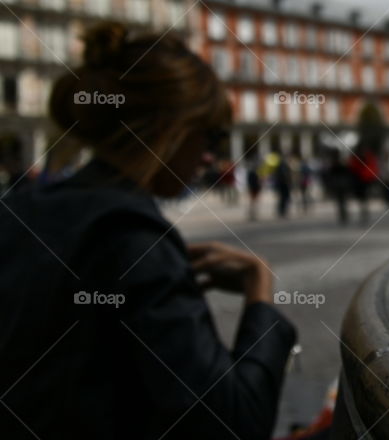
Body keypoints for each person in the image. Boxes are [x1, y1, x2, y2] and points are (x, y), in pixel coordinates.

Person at [0, 22, 296, 439]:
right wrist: (260, 293)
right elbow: (233, 422)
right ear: (172, 128)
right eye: (212, 135)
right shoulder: (132, 236)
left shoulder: (18, 208)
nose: (211, 155)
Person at [274, 154, 293, 218]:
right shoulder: (284, 166)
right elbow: (285, 176)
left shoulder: (281, 166)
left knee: (283, 199)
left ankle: (282, 211)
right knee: (284, 198)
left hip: (282, 185)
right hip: (284, 185)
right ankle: (282, 211)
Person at [246, 156, 263, 221]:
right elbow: (251, 181)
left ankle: (253, 213)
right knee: (253, 202)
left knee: (254, 202)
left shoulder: (255, 172)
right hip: (253, 188)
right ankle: (252, 213)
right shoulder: (252, 172)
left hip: (255, 188)